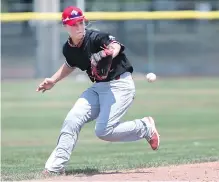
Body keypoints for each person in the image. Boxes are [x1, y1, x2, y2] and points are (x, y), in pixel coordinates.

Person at [36, 6, 160, 175]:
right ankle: (55, 168)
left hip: (120, 86)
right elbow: (70, 64)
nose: (79, 27)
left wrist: (110, 52)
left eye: (81, 22)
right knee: (72, 119)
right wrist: (53, 80)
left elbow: (115, 44)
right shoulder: (68, 48)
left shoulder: (95, 38)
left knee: (103, 131)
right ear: (65, 26)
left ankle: (144, 127)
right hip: (98, 87)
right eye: (74, 24)